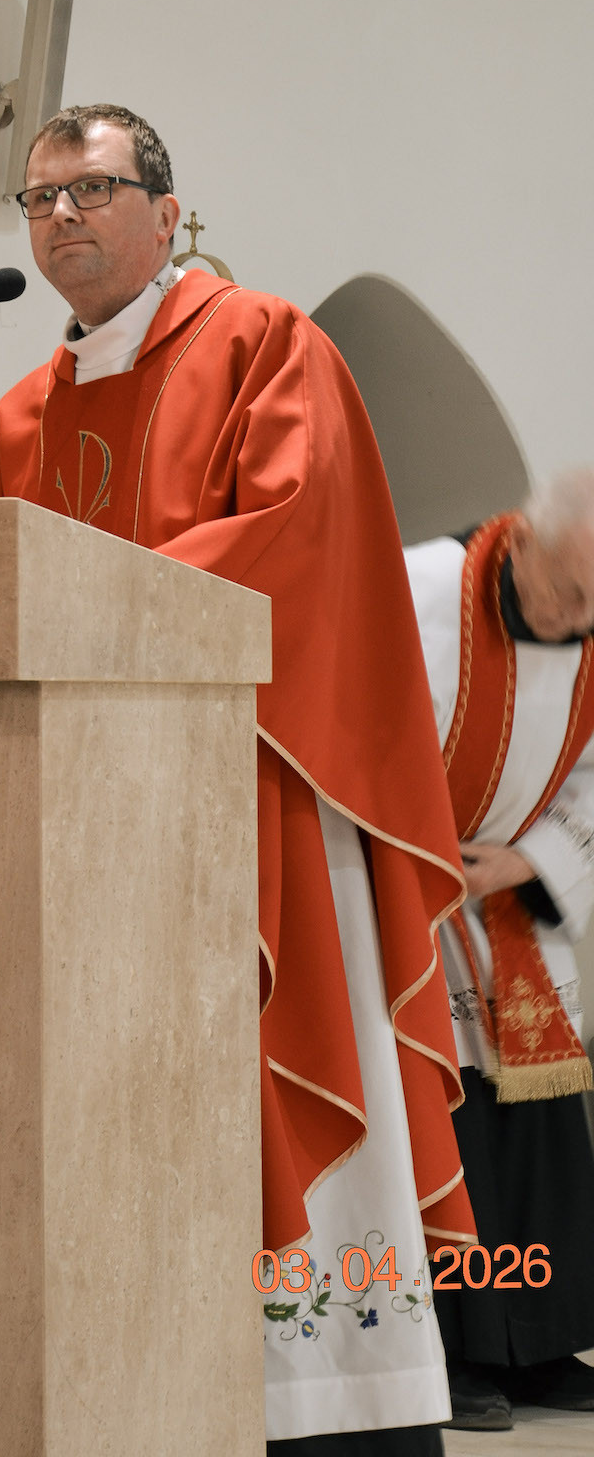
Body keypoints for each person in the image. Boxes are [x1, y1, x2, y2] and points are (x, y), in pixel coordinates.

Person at [0, 103, 475, 1454]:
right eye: (38, 199)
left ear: (164, 213)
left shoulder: (262, 344)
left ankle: (328, 1409)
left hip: (255, 797)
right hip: (80, 830)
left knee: (277, 1076)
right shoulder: (17, 420)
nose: (59, 218)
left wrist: (91, 609)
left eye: (89, 190)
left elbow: (296, 532)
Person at [405, 474, 594, 1430]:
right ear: (519, 543)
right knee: (449, 1129)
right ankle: (453, 1352)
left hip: (509, 902)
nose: (580, 621)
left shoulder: (593, 625)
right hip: (406, 899)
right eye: (570, 592)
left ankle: (541, 1343)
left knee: (537, 1133)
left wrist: (526, 861)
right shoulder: (418, 589)